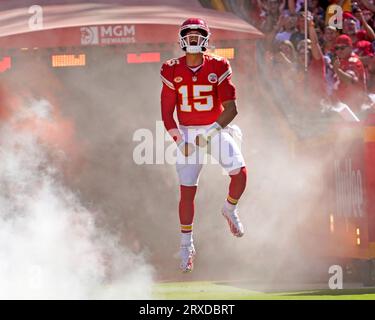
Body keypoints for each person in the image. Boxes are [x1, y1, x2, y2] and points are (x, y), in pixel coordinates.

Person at [160, 18, 247, 273]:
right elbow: (167, 114)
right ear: (182, 38)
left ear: (206, 39)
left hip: (214, 128)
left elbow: (232, 109)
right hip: (187, 131)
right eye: (190, 34)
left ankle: (229, 209)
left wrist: (208, 135)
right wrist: (180, 140)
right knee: (187, 191)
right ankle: (186, 246)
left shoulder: (219, 65)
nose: (194, 38)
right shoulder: (170, 68)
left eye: (199, 34)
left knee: (240, 173)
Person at [332, 34, 367, 114]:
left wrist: (337, 70)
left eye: (342, 48)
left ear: (350, 48)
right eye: (337, 48)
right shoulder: (341, 61)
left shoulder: (353, 61)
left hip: (353, 107)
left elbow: (350, 81)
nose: (339, 50)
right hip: (343, 106)